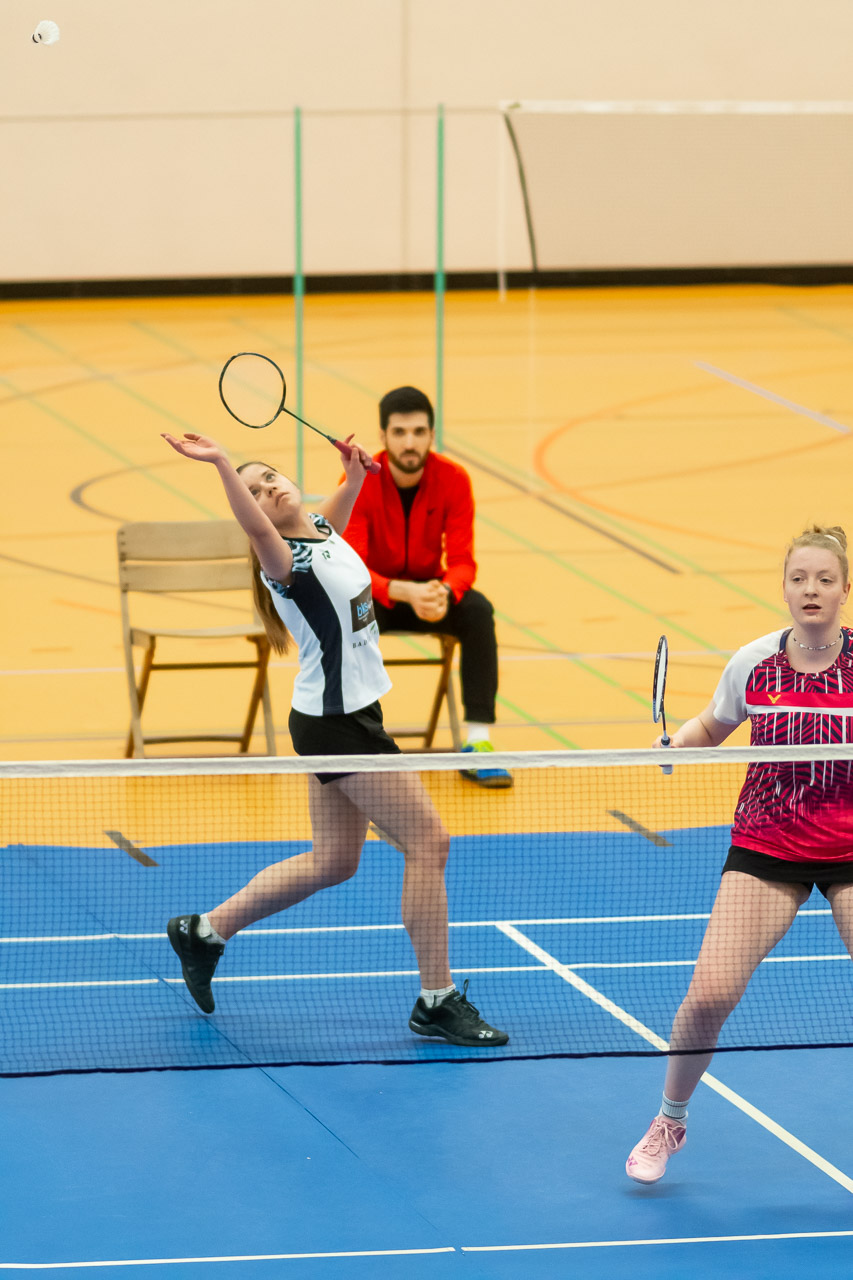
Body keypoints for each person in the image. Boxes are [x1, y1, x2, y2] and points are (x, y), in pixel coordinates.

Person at [160, 429, 508, 1049]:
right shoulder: (282, 563)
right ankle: (436, 999)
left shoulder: (319, 527)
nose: (269, 489)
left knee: (334, 861)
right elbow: (257, 527)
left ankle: (204, 932)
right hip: (336, 723)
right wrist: (220, 464)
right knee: (430, 841)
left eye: (270, 477)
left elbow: (336, 515)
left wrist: (354, 475)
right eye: (256, 492)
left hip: (341, 715)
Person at [626, 524, 853, 1184]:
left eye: (825, 579)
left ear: (844, 590)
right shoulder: (753, 662)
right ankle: (669, 1120)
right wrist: (676, 746)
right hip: (767, 844)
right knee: (707, 997)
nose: (810, 589)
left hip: (850, 848)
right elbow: (710, 725)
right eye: (799, 578)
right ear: (783, 587)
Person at [344, 385, 512, 789]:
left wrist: (445, 593)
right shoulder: (359, 482)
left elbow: (463, 562)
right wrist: (402, 592)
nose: (410, 443)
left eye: (419, 432)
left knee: (478, 611)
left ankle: (478, 742)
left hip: (431, 592)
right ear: (383, 436)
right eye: (400, 432)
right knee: (345, 616)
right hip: (378, 595)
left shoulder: (453, 479)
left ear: (432, 435)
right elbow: (352, 569)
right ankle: (356, 740)